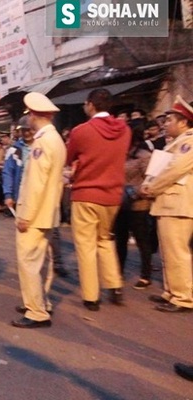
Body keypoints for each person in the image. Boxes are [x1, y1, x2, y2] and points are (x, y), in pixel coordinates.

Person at [67, 88, 131, 311]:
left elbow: (69, 157)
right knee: (105, 239)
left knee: (86, 245)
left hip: (86, 193)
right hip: (113, 196)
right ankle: (114, 285)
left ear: (91, 105)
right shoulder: (125, 131)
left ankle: (91, 296)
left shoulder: (81, 131)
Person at [11, 93, 67, 329]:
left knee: (29, 263)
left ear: (34, 115)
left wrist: (26, 215)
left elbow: (35, 183)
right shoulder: (54, 139)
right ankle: (37, 303)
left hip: (35, 213)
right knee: (38, 262)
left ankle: (36, 311)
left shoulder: (43, 142)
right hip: (47, 212)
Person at [139, 95, 193, 313]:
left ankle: (183, 297)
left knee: (177, 252)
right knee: (168, 252)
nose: (165, 124)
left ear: (183, 122)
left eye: (170, 120)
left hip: (178, 204)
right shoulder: (177, 143)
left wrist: (151, 188)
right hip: (169, 203)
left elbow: (174, 170)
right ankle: (171, 292)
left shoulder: (188, 143)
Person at [113, 125, 154, 289]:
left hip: (138, 203)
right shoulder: (120, 154)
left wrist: (135, 192)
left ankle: (145, 274)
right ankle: (118, 271)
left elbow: (151, 179)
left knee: (142, 240)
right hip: (120, 203)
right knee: (120, 239)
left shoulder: (144, 156)